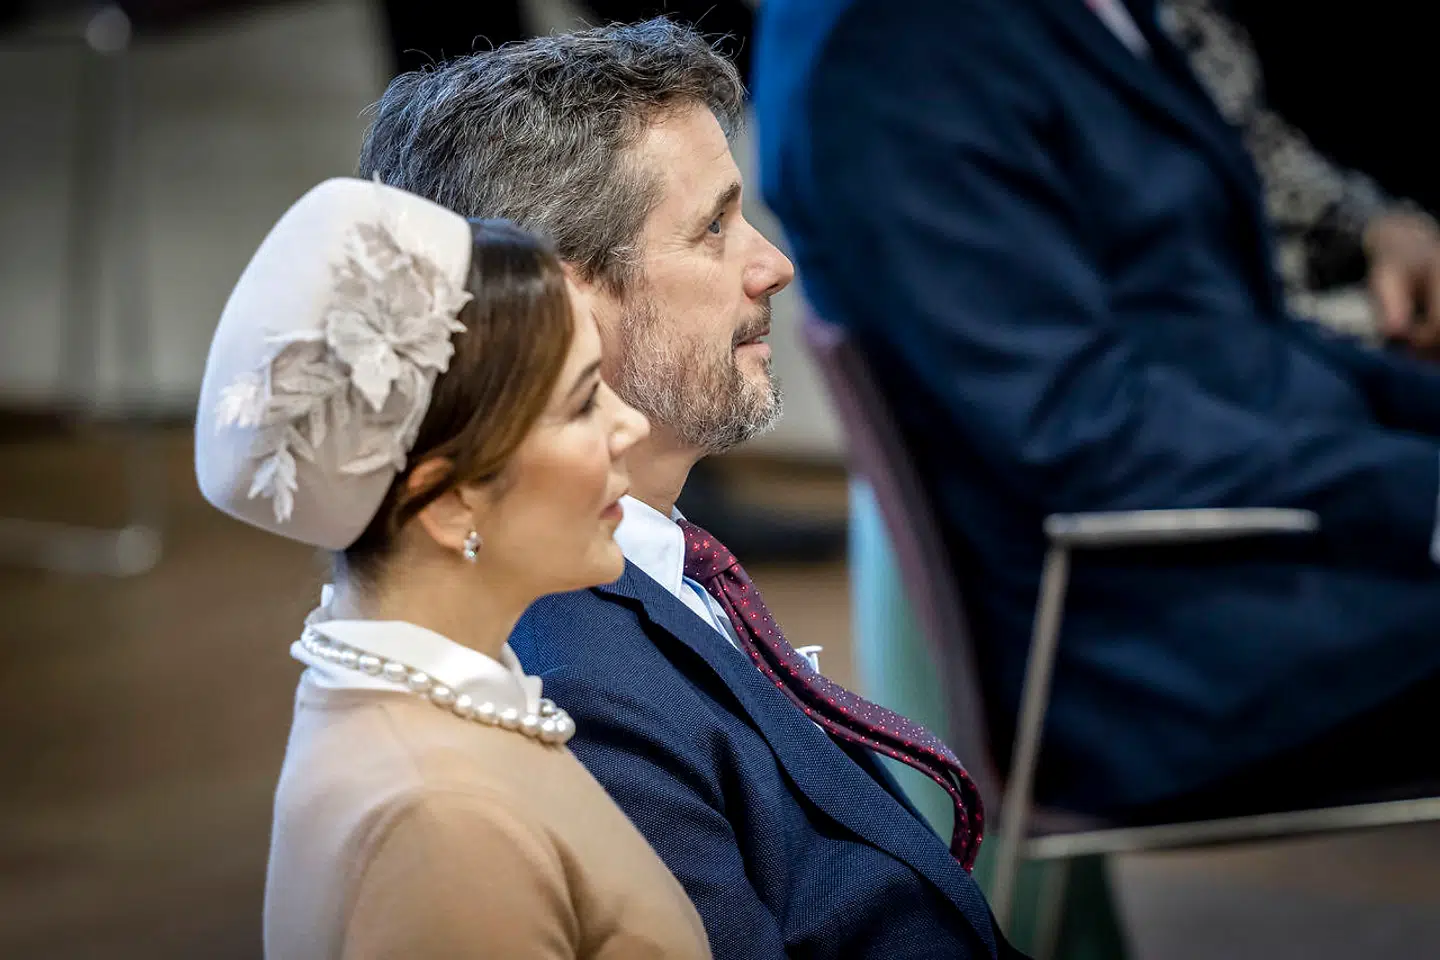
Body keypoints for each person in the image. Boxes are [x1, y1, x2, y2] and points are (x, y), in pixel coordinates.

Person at [357, 20, 1016, 960]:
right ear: (560, 300)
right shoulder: (578, 690)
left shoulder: (651, 562)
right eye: (714, 228)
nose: (773, 265)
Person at [754, 0, 1440, 821]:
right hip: (1163, 637)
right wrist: (1415, 493)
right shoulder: (897, 54)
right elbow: (1078, 427)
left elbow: (1229, 329)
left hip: (1265, 536)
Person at [194, 177, 707, 958]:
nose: (629, 426)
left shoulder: (441, 699)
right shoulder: (441, 822)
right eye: (579, 405)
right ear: (447, 500)